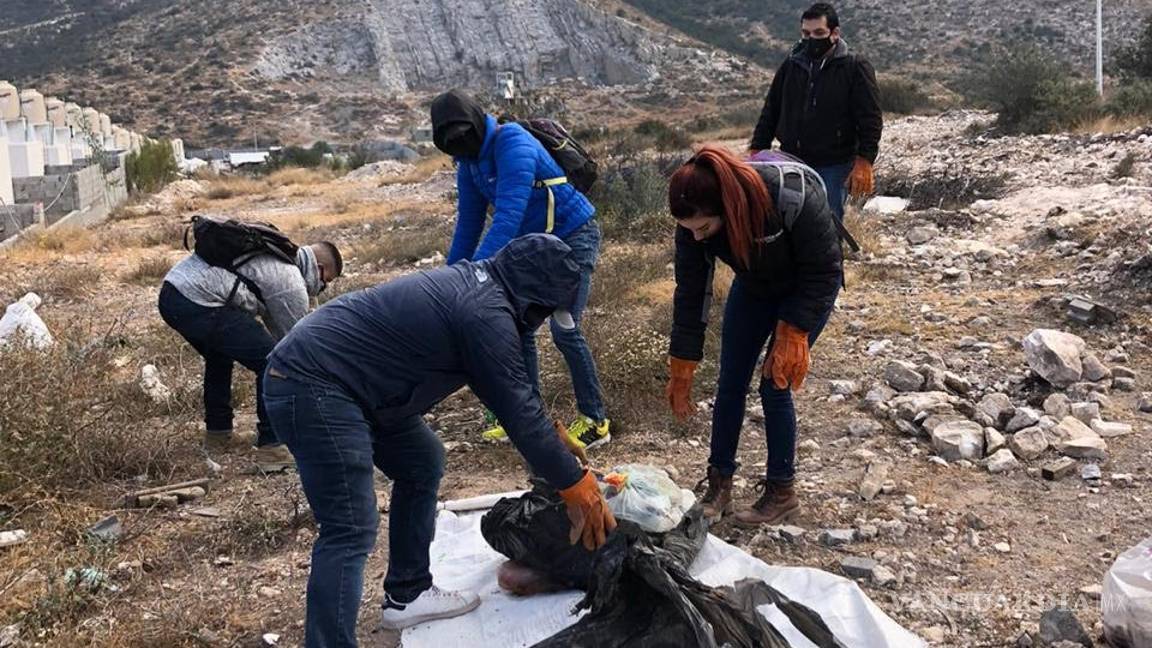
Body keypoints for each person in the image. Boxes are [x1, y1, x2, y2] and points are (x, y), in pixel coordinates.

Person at [262, 234, 616, 646]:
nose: (540, 320)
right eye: (545, 310)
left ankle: (407, 593)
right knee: (351, 525)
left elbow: (516, 388)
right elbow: (517, 412)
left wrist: (555, 442)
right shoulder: (484, 313)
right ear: (535, 297)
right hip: (313, 385)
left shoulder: (489, 292)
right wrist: (574, 485)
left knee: (422, 460)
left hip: (360, 389)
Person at [665, 145, 842, 527]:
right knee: (730, 381)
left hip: (805, 289)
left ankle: (782, 493)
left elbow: (825, 269)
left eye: (704, 229)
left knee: (774, 384)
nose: (696, 239)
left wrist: (794, 330)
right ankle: (719, 484)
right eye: (688, 231)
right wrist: (683, 360)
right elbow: (692, 292)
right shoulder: (694, 224)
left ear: (727, 209)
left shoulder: (790, 196)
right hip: (754, 287)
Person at [429, 89, 611, 451]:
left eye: (465, 136)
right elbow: (468, 225)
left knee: (565, 329)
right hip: (535, 250)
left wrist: (474, 275)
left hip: (573, 237)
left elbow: (509, 217)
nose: (461, 145)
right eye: (452, 143)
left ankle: (595, 420)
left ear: (478, 122)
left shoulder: (513, 142)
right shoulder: (470, 164)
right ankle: (528, 416)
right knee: (519, 328)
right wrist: (447, 281)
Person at [158, 237, 343, 464]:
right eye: (326, 281)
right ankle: (272, 448)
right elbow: (293, 347)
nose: (323, 287)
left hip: (172, 294)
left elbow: (279, 332)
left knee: (219, 355)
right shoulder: (291, 281)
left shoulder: (277, 257)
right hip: (196, 300)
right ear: (319, 269)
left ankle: (218, 433)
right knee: (272, 363)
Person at [749, 2, 882, 223]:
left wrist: (865, 161)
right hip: (791, 160)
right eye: (806, 33)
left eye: (819, 33)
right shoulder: (791, 65)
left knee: (827, 224)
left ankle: (831, 259)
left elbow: (870, 118)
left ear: (835, 33)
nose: (812, 39)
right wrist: (757, 149)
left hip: (834, 164)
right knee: (790, 220)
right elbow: (771, 109)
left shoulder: (854, 67)